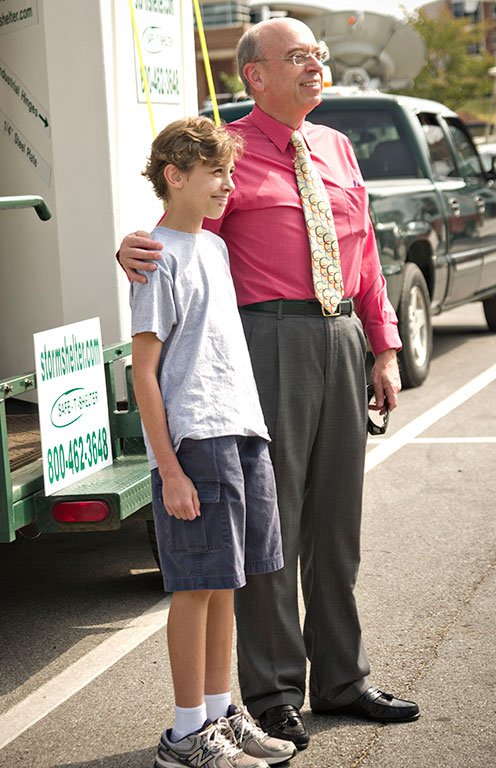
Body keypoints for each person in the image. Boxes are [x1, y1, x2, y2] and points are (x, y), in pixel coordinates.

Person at [121, 18, 419, 752]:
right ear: (255, 74)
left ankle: (343, 679)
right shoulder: (229, 150)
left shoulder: (338, 146)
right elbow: (182, 227)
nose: (317, 66)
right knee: (272, 533)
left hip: (342, 333)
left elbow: (366, 253)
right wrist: (133, 245)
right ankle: (275, 692)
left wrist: (383, 347)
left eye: (318, 55)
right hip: (268, 342)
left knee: (335, 525)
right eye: (299, 57)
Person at [131, 115, 297, 768]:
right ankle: (185, 734)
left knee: (228, 582)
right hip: (194, 440)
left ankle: (221, 712)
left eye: (230, 171)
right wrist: (169, 469)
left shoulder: (215, 249)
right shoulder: (155, 255)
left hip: (240, 429)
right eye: (215, 173)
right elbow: (144, 370)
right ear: (176, 178)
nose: (228, 184)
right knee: (195, 586)